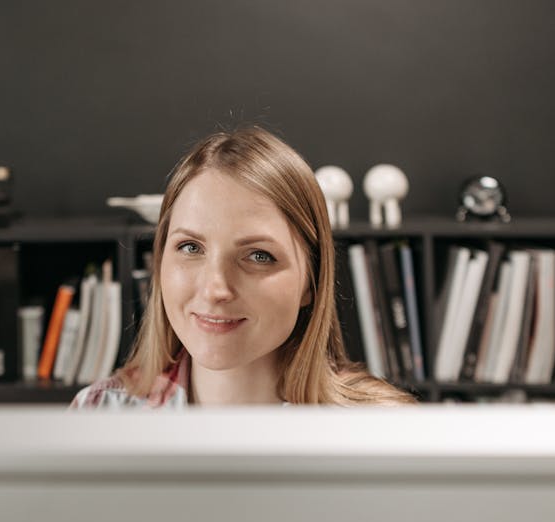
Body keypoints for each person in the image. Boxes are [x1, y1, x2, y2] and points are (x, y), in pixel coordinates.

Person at [71, 125, 415, 408]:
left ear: (311, 280)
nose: (215, 289)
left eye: (259, 256)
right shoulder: (98, 414)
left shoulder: (384, 432)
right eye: (190, 247)